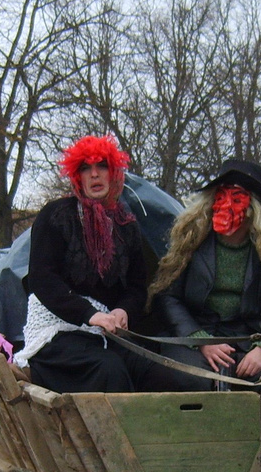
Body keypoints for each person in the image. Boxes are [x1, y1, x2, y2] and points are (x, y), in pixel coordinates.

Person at [18, 135, 159, 393]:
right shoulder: (57, 215)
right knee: (109, 370)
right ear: (77, 177)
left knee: (154, 369)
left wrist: (123, 310)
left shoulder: (127, 225)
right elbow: (42, 279)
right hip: (59, 330)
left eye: (102, 166)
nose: (95, 175)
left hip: (107, 333)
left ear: (113, 172)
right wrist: (88, 314)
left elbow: (138, 286)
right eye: (86, 168)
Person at [149, 159, 261, 389]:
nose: (226, 206)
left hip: (247, 338)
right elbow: (168, 296)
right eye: (221, 197)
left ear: (254, 208)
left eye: (237, 198)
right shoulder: (191, 239)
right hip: (193, 335)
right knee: (187, 378)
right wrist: (201, 340)